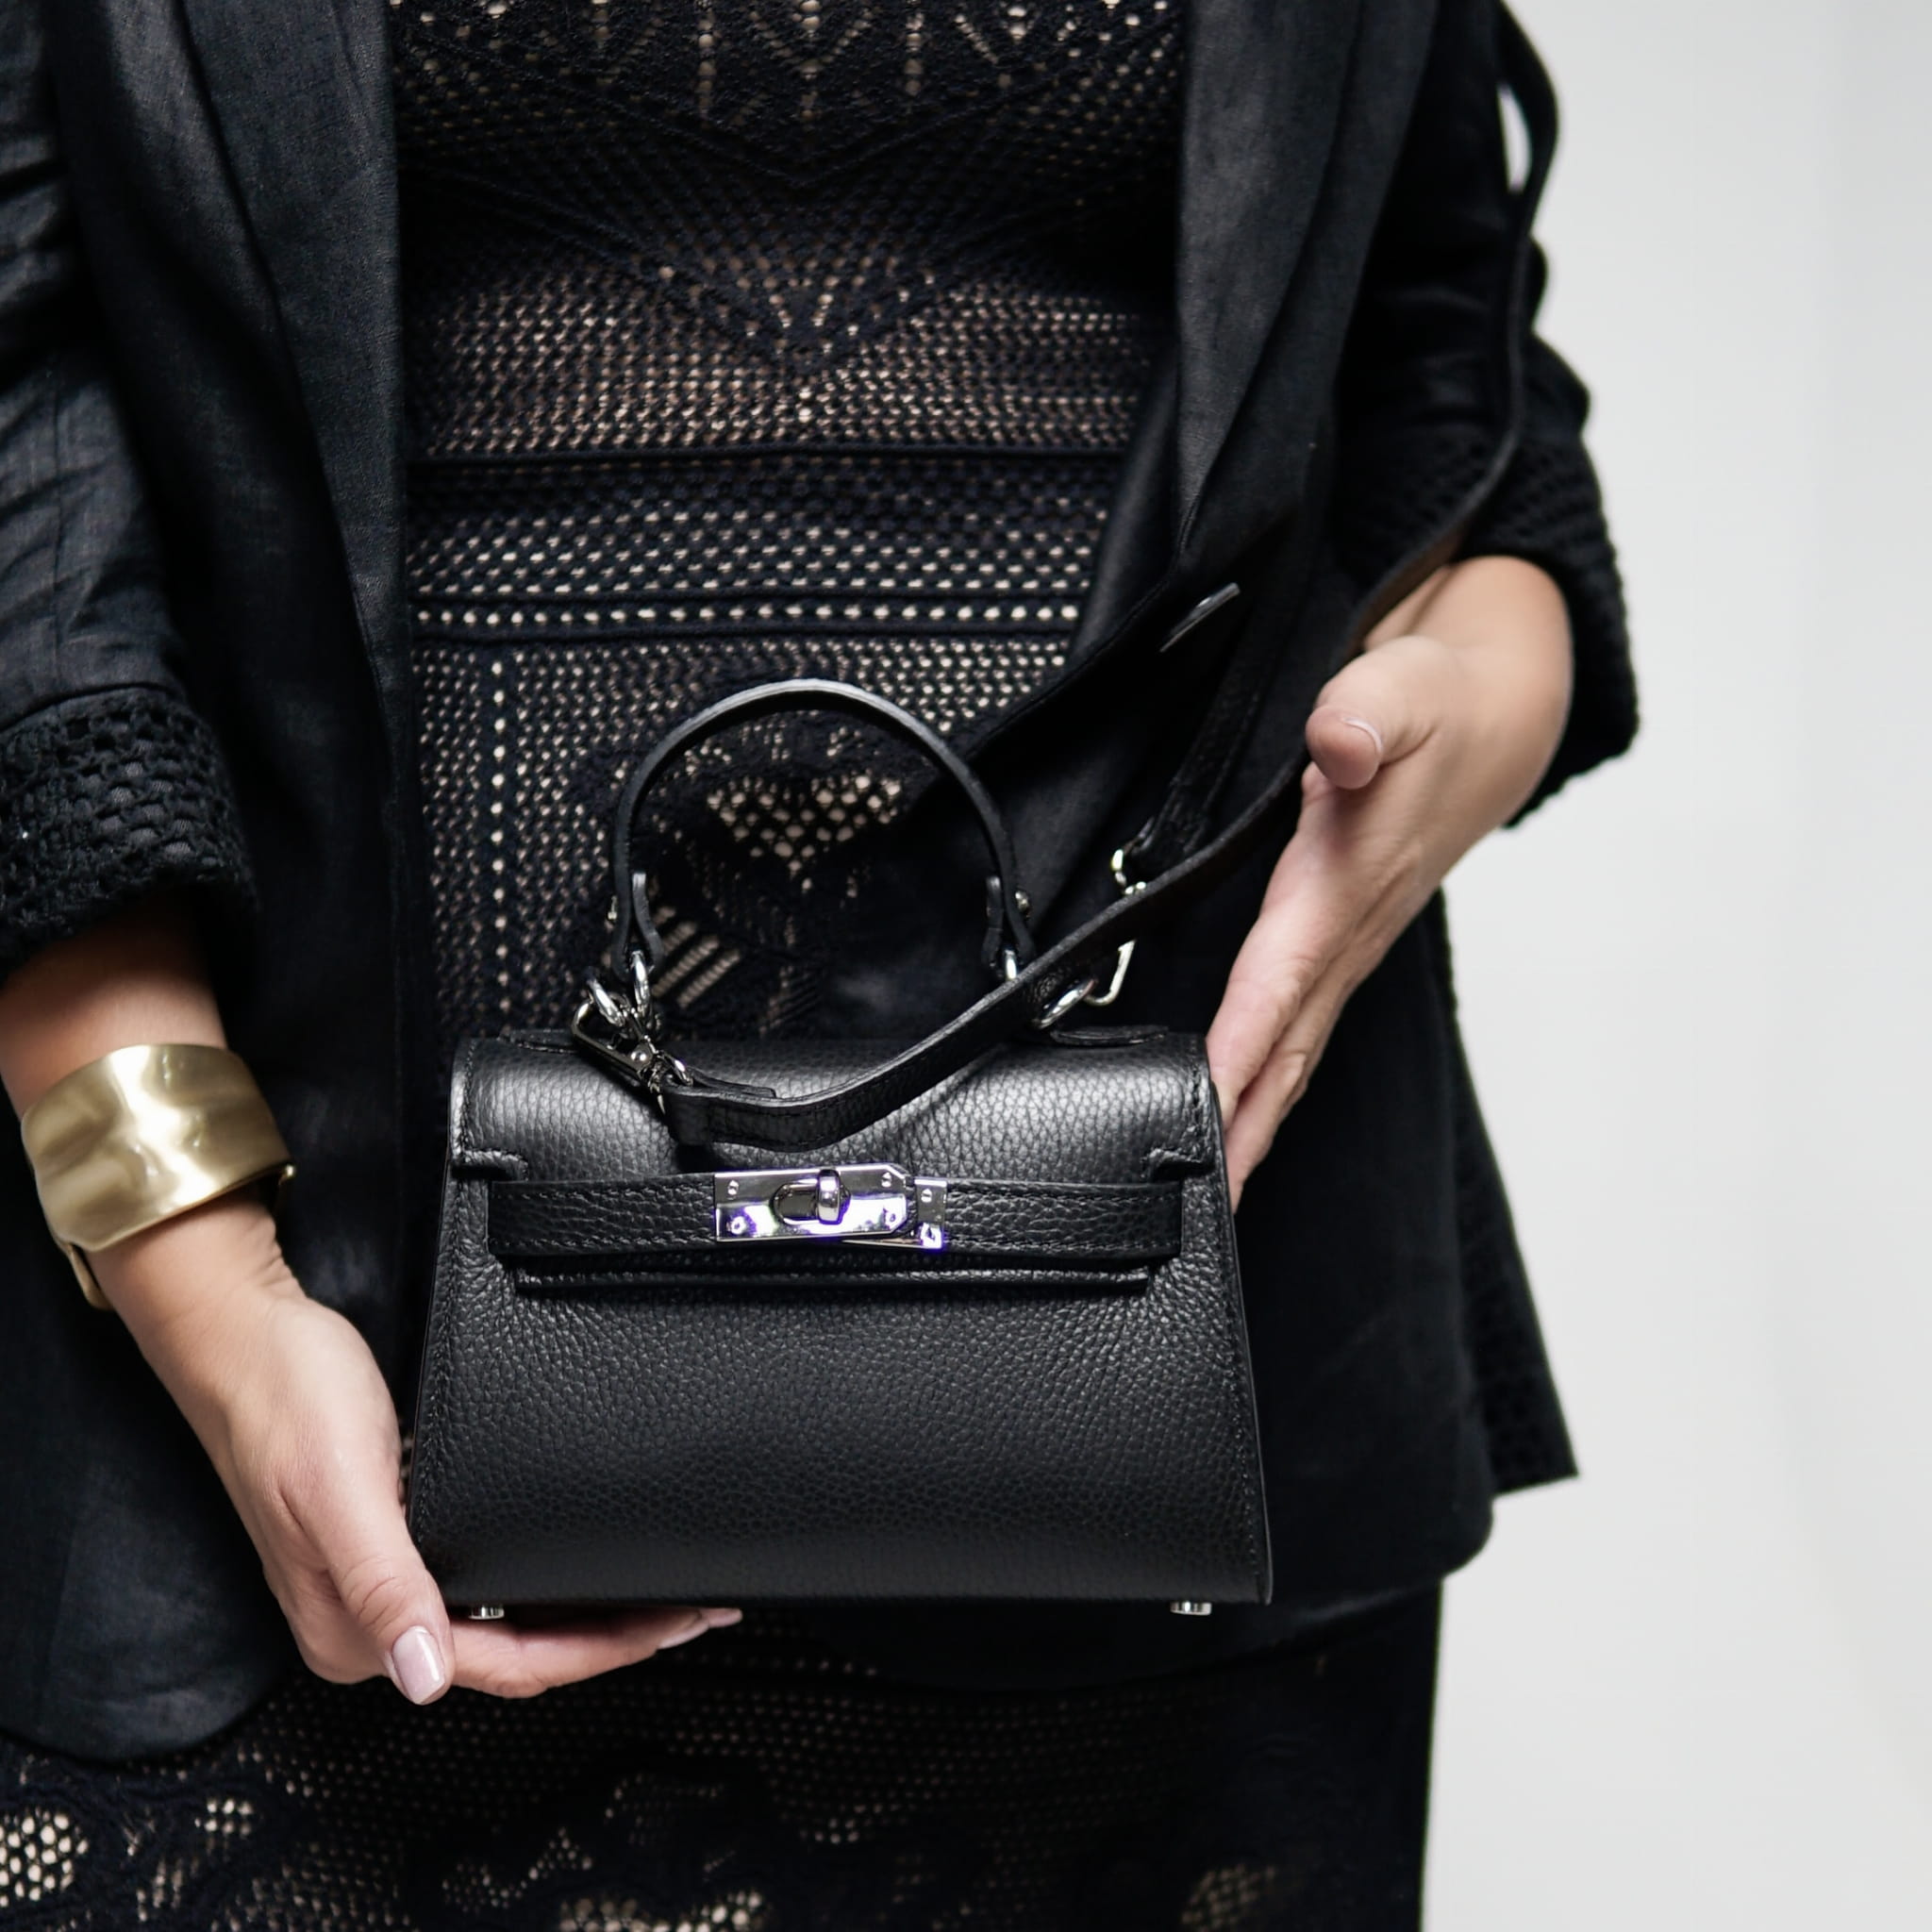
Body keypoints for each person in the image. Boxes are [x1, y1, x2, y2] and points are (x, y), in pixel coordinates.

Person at [0, 1, 1633, 1926]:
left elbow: (1450, 355)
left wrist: (1485, 689)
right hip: (292, 1355)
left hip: (1161, 1344)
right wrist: (204, 1280)